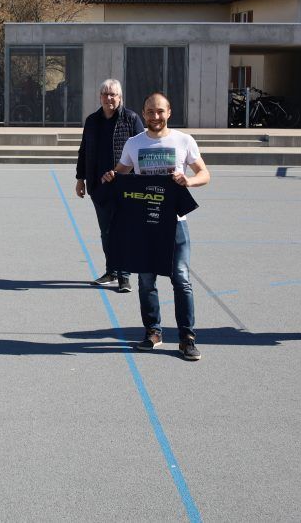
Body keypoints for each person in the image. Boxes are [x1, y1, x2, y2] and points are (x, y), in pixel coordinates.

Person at [102, 92, 210, 361]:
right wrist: (111, 176)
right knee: (146, 281)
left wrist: (188, 181)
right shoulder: (134, 143)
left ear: (169, 112)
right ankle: (153, 332)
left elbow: (204, 174)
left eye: (160, 111)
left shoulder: (184, 141)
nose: (155, 116)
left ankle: (187, 337)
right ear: (144, 113)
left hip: (175, 224)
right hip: (144, 224)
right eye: (150, 111)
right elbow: (121, 173)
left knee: (181, 280)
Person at [75, 78, 143, 292]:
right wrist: (80, 179)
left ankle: (124, 276)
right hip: (98, 186)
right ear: (100, 97)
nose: (109, 98)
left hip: (125, 185)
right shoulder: (92, 120)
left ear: (120, 97)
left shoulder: (131, 119)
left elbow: (142, 151)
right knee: (106, 232)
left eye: (113, 94)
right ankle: (112, 270)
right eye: (105, 94)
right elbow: (84, 151)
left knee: (121, 230)